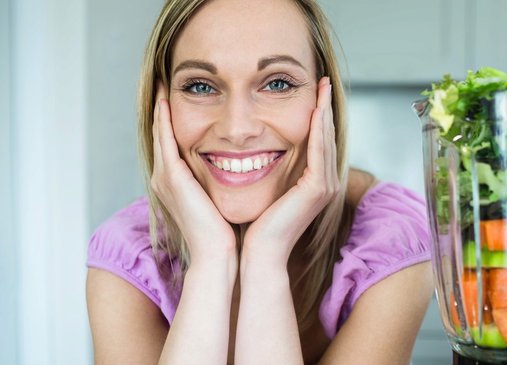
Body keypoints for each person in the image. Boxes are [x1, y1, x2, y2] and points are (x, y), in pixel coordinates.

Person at [85, 0, 433, 363]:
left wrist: (266, 257)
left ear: (323, 98)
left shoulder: (391, 240)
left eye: (278, 83)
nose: (238, 129)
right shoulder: (128, 257)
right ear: (161, 106)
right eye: (200, 87)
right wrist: (210, 260)